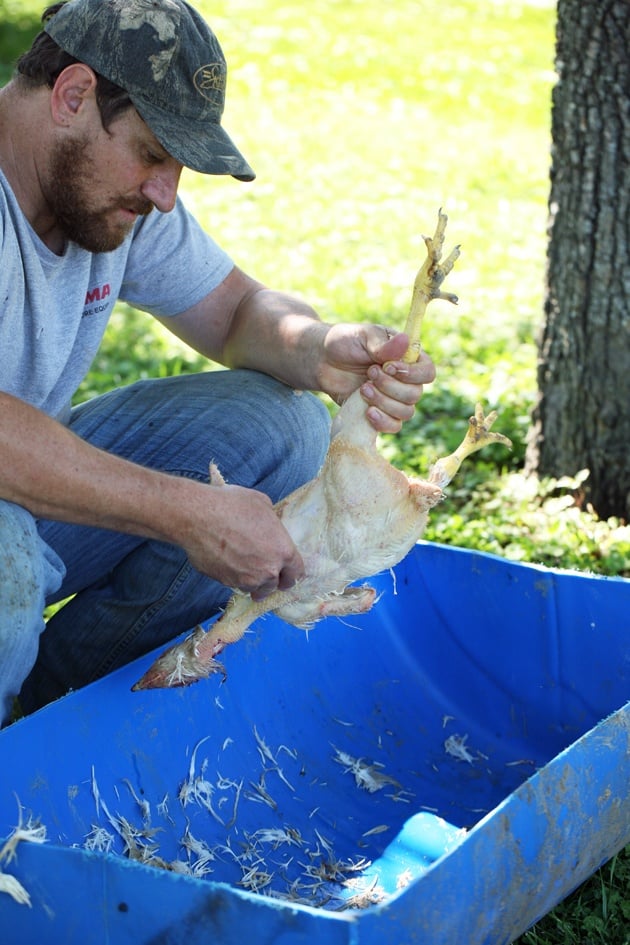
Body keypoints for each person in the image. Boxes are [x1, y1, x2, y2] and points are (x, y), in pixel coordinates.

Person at [0, 0, 436, 724]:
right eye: (153, 153)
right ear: (72, 96)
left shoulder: (102, 194)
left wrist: (326, 350)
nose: (165, 194)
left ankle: (52, 719)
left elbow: (236, 313)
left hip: (23, 490)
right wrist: (185, 511)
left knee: (282, 427)